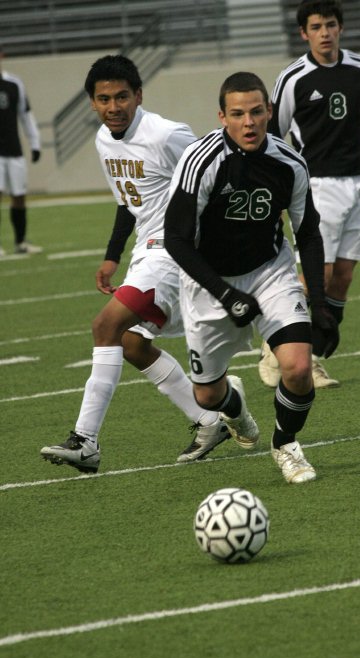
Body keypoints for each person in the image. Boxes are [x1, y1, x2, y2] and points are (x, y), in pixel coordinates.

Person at [40, 55, 230, 474]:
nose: (114, 106)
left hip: (175, 251)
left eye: (122, 96)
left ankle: (85, 441)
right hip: (146, 249)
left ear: (138, 95)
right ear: (92, 103)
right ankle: (209, 420)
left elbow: (216, 172)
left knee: (104, 327)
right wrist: (112, 255)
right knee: (130, 344)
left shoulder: (166, 134)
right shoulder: (104, 141)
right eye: (104, 99)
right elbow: (130, 201)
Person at [164, 71, 339, 484]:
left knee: (296, 368)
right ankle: (236, 408)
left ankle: (286, 444)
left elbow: (308, 231)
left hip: (269, 271)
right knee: (207, 394)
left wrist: (321, 305)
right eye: (238, 114)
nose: (249, 122)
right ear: (222, 117)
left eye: (257, 112)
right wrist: (225, 293)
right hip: (209, 281)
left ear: (269, 112)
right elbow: (176, 240)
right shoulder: (200, 161)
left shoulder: (289, 162)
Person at [258, 0, 360, 389]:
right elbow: (273, 139)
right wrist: (278, 192)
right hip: (316, 185)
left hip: (358, 184)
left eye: (330, 25)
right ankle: (276, 347)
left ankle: (313, 354)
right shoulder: (292, 78)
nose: (324, 33)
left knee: (344, 277)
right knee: (319, 274)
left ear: (341, 28)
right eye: (316, 27)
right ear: (304, 33)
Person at [0, 46, 42, 256]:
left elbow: (25, 115)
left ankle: (20, 242)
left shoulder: (14, 84)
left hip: (14, 150)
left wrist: (35, 143)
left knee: (19, 196)